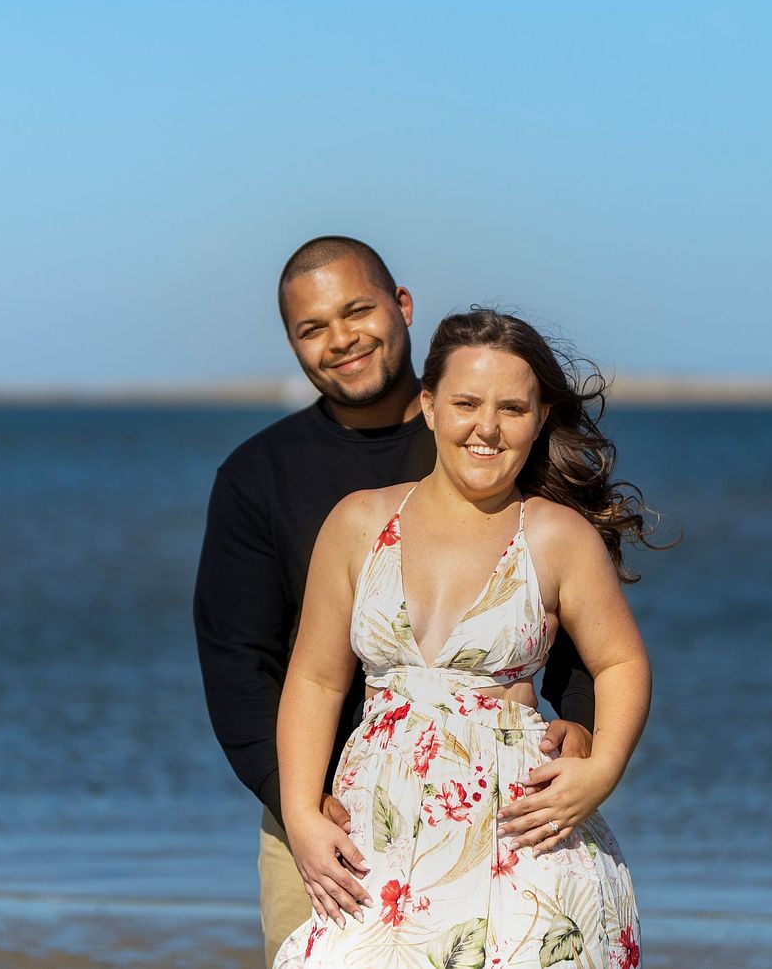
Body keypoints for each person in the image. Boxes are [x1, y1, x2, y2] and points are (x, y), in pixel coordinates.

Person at [194, 239, 598, 967]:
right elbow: (238, 666)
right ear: (292, 343)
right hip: (327, 827)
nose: (341, 339)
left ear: (402, 306)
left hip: (493, 807)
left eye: (357, 311)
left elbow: (573, 610)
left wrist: (581, 723)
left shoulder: (484, 435)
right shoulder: (258, 477)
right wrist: (298, 806)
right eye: (312, 328)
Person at [272, 308, 654, 968]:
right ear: (429, 406)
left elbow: (621, 662)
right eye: (467, 403)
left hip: (521, 843)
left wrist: (603, 771)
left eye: (512, 408)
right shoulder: (359, 522)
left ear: (540, 418)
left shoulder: (557, 535)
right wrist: (301, 813)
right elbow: (315, 680)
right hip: (380, 841)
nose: (488, 427)